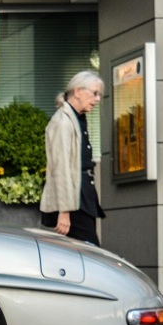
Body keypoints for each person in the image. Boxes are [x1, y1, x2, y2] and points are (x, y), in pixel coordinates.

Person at [40, 71, 106, 246]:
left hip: (81, 199)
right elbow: (60, 168)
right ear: (77, 91)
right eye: (94, 93)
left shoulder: (77, 119)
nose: (98, 99)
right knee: (92, 254)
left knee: (83, 254)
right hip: (73, 203)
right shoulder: (63, 122)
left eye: (99, 94)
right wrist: (64, 211)